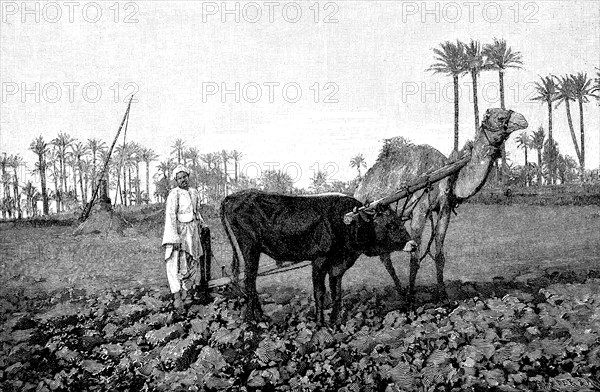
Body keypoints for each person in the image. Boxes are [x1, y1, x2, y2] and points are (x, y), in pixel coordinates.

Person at [162, 165, 207, 308]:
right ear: (176, 180)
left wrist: (201, 223)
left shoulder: (194, 192)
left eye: (184, 177)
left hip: (192, 231)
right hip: (179, 231)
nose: (183, 180)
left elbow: (196, 211)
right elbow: (170, 216)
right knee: (177, 261)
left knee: (192, 260)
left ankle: (188, 292)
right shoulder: (173, 194)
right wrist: (173, 238)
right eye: (179, 178)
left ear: (188, 177)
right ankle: (177, 295)